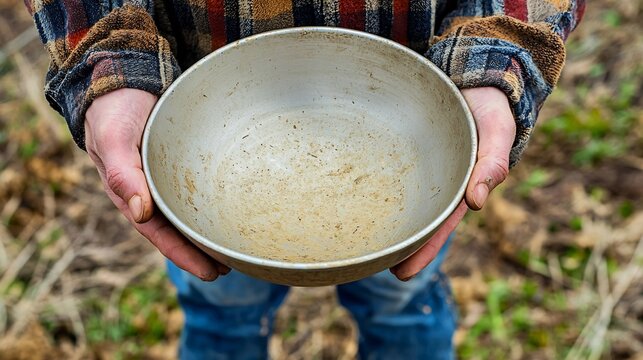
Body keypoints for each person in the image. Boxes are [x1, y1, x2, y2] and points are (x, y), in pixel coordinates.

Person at [26, 0, 584, 358]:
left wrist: (497, 60)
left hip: (419, 140)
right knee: (221, 307)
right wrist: (111, 61)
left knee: (402, 301)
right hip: (198, 141)